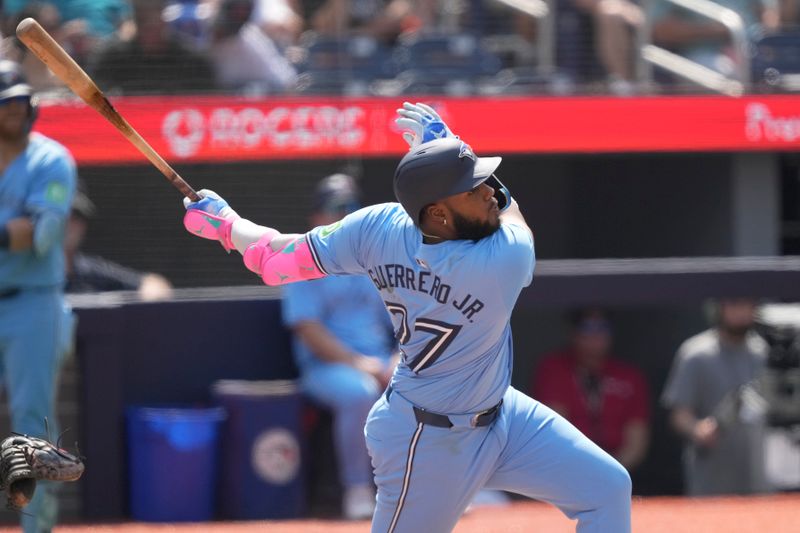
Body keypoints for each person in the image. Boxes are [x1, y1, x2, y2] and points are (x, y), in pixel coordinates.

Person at [181, 101, 631, 532]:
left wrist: (227, 225)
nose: (491, 192)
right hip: (428, 439)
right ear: (437, 213)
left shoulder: (377, 226)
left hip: (503, 418)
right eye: (474, 188)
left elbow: (277, 260)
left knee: (607, 488)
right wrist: (450, 141)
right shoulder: (501, 259)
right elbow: (515, 215)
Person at [281, 173, 397, 519]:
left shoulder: (371, 259)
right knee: (359, 392)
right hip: (326, 369)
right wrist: (362, 364)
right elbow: (309, 331)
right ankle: (358, 491)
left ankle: (437, 487)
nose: (346, 214)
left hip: (379, 361)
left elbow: (404, 319)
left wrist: (396, 359)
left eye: (351, 207)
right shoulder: (299, 261)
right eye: (337, 208)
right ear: (316, 217)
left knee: (427, 382)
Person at [0, 60, 76, 533]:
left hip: (33, 301)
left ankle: (37, 528)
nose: (15, 112)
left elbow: (42, 235)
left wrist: (15, 232)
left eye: (21, 103)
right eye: (6, 104)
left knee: (32, 429)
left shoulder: (51, 160)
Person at [662, 298, 770, 495]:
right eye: (734, 304)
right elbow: (679, 415)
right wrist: (698, 429)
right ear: (719, 308)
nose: (741, 312)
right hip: (712, 480)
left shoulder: (766, 353)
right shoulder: (695, 354)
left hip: (760, 479)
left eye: (746, 304)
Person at [531, 308, 651, 472]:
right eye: (587, 328)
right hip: (565, 467)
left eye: (602, 328)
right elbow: (554, 432)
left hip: (617, 470)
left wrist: (609, 471)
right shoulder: (553, 369)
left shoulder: (629, 375)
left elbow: (636, 442)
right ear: (573, 333)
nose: (595, 336)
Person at [64, 184, 172, 299]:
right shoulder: (43, 275)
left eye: (76, 217)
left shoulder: (89, 271)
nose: (68, 225)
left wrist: (153, 295)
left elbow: (154, 285)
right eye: (62, 216)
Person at [89, 0, 216, 95]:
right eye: (142, 16)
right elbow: (96, 97)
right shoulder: (112, 57)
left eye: (155, 10)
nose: (151, 21)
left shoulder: (191, 58)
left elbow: (207, 100)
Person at [650, 0, 779, 80]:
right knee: (726, 73)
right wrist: (711, 31)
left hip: (752, 50)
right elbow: (659, 30)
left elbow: (769, 15)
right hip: (702, 55)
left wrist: (766, 41)